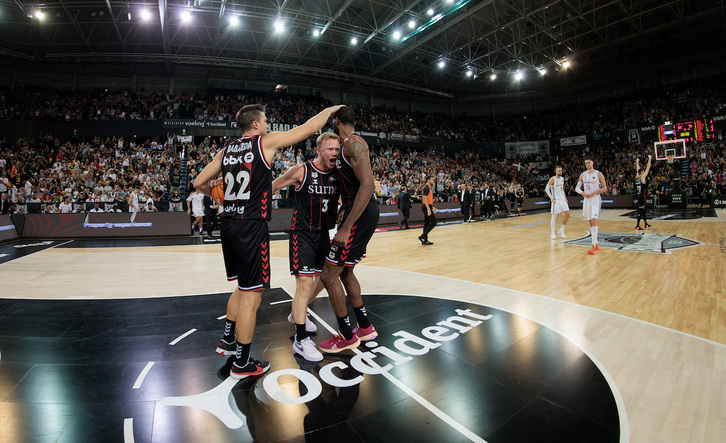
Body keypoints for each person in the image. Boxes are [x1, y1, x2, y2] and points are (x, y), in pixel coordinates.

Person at [193, 103, 344, 380]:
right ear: (254, 125)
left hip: (229, 225)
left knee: (241, 287)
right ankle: (242, 363)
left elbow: (199, 182)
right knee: (252, 297)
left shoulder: (224, 150)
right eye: (265, 120)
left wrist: (219, 195)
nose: (267, 124)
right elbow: (310, 128)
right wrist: (330, 111)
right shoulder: (263, 142)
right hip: (251, 226)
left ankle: (227, 340)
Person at [271, 132, 341, 361]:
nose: (334, 153)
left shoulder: (337, 174)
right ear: (319, 150)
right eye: (330, 149)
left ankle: (296, 313)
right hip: (302, 234)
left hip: (324, 234)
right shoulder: (302, 171)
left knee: (327, 277)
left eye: (337, 149)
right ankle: (301, 341)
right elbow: (273, 187)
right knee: (304, 284)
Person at [318, 106, 379, 353]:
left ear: (336, 121)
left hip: (361, 216)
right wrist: (345, 208)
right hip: (358, 213)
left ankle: (346, 335)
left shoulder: (354, 144)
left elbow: (368, 185)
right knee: (345, 272)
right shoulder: (345, 147)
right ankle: (364, 326)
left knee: (328, 276)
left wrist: (346, 227)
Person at [576, 157, 608, 254]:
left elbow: (605, 188)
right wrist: (582, 193)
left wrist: (596, 192)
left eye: (589, 162)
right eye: (586, 163)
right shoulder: (583, 175)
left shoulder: (598, 174)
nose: (587, 164)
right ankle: (596, 243)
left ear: (592, 163)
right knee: (590, 222)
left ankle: (593, 244)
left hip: (595, 199)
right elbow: (577, 188)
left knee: (594, 220)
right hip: (587, 199)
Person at [545, 166, 570, 239]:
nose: (560, 172)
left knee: (567, 214)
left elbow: (562, 189)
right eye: (559, 170)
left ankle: (561, 229)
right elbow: (546, 189)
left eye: (561, 171)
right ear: (555, 171)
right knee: (554, 216)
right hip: (556, 200)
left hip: (562, 199)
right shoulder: (552, 179)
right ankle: (552, 232)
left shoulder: (562, 179)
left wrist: (565, 198)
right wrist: (551, 198)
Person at [634, 155, 652, 230]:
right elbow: (648, 168)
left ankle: (646, 224)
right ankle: (637, 225)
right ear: (642, 173)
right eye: (643, 172)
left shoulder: (637, 177)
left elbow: (638, 169)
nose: (645, 172)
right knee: (641, 210)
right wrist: (650, 159)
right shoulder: (642, 177)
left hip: (638, 195)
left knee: (643, 209)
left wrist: (637, 162)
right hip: (642, 196)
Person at [419, 175, 436, 245]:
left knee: (426, 223)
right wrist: (429, 209)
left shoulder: (428, 187)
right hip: (426, 207)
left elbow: (428, 199)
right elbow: (425, 199)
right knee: (433, 223)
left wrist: (431, 207)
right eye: (432, 179)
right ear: (428, 180)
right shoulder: (426, 188)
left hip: (427, 206)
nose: (433, 181)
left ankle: (425, 240)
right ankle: (422, 236)